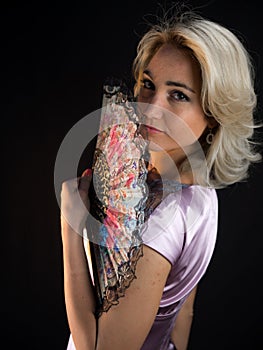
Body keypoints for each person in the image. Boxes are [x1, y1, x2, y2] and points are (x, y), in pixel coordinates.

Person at [59, 5, 262, 350]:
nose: (151, 107)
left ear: (213, 113)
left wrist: (70, 228)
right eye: (148, 85)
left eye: (179, 95)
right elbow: (182, 315)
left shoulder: (161, 217)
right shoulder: (200, 196)